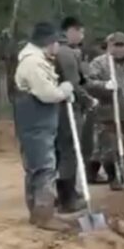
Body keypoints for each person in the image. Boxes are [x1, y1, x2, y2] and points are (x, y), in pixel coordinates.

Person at [14, 22, 75, 230]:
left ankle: (38, 212)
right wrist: (65, 90)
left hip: (38, 122)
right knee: (44, 167)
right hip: (35, 122)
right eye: (58, 42)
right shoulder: (33, 63)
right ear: (49, 42)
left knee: (37, 167)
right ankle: (44, 214)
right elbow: (47, 94)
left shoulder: (38, 60)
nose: (59, 47)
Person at [85, 33, 124, 191]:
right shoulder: (99, 63)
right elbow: (87, 83)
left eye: (122, 45)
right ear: (109, 46)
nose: (119, 49)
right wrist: (104, 86)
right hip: (109, 114)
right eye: (115, 45)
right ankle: (116, 178)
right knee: (110, 151)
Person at [53, 17, 92, 213]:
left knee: (60, 152)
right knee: (69, 150)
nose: (82, 36)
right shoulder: (66, 52)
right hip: (66, 107)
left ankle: (65, 194)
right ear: (72, 30)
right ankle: (67, 198)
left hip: (51, 108)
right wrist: (88, 100)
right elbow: (74, 84)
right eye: (81, 32)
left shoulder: (51, 49)